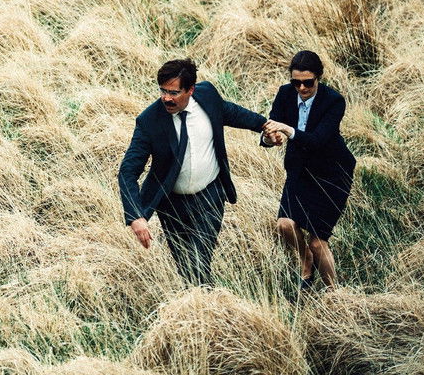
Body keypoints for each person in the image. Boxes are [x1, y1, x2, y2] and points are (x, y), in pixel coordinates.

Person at [118, 58, 267, 286]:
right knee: (186, 267)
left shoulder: (208, 96)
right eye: (163, 91)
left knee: (198, 262)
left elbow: (232, 113)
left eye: (174, 92)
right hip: (172, 205)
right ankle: (203, 301)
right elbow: (128, 171)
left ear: (190, 90)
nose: (166, 98)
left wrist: (265, 126)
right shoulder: (149, 121)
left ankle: (207, 300)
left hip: (210, 196)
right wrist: (135, 216)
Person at [262, 50, 355, 291]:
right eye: (296, 82)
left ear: (319, 78)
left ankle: (335, 294)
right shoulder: (285, 93)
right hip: (299, 170)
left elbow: (317, 140)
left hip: (331, 174)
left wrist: (287, 130)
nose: (302, 88)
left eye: (308, 82)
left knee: (317, 241)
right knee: (285, 225)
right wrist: (270, 138)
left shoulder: (333, 101)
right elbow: (272, 126)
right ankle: (306, 260)